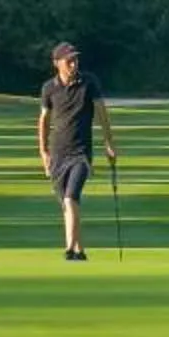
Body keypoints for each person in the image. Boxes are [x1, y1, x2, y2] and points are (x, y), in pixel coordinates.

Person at [37, 42, 118, 262]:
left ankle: (69, 248)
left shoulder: (89, 82)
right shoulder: (49, 88)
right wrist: (43, 151)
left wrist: (109, 143)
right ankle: (80, 251)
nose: (74, 64)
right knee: (67, 204)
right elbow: (44, 121)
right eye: (69, 61)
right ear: (57, 63)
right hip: (57, 153)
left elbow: (101, 112)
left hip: (81, 153)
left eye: (75, 60)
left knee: (71, 197)